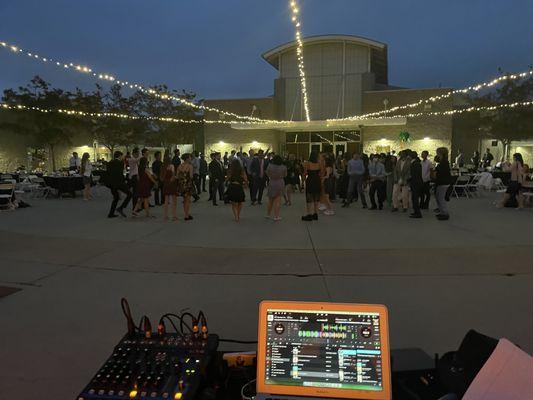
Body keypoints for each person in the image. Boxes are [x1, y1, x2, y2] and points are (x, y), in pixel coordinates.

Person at [106, 151, 132, 218]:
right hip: (119, 182)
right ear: (119, 156)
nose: (123, 157)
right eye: (122, 156)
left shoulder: (110, 162)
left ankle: (111, 213)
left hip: (112, 183)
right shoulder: (120, 163)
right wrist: (125, 180)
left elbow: (108, 173)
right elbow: (120, 173)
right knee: (130, 194)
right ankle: (121, 208)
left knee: (116, 198)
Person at [265, 155, 287, 221]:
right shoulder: (283, 167)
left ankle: (268, 214)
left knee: (270, 200)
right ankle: (276, 216)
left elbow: (267, 173)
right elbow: (285, 175)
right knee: (278, 200)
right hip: (280, 182)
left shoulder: (269, 166)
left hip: (272, 182)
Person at [434, 147, 453, 220]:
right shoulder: (443, 161)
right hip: (441, 182)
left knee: (441, 199)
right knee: (439, 198)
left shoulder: (444, 162)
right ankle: (442, 212)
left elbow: (441, 172)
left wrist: (436, 171)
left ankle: (445, 213)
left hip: (443, 182)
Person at [302, 152, 322, 221]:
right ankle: (315, 213)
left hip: (310, 181)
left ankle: (309, 214)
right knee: (316, 197)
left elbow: (305, 173)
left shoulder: (307, 163)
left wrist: (302, 182)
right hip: (317, 181)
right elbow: (321, 173)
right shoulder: (319, 164)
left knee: (309, 197)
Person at [176, 153, 195, 220]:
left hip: (181, 184)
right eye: (190, 157)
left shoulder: (180, 166)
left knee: (184, 200)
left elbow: (177, 176)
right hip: (188, 184)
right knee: (188, 200)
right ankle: (186, 215)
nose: (191, 159)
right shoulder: (190, 166)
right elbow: (191, 176)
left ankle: (186, 213)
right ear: (187, 158)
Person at [161, 153, 178, 221]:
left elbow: (162, 177)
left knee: (166, 200)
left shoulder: (163, 167)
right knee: (174, 200)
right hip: (171, 184)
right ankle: (173, 216)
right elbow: (173, 176)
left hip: (166, 183)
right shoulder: (171, 166)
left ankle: (165, 215)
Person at [409, 151, 423, 219]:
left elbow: (415, 175)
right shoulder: (415, 163)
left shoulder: (415, 163)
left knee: (415, 198)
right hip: (415, 183)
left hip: (416, 183)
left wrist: (409, 179)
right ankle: (416, 211)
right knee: (414, 198)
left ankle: (417, 213)